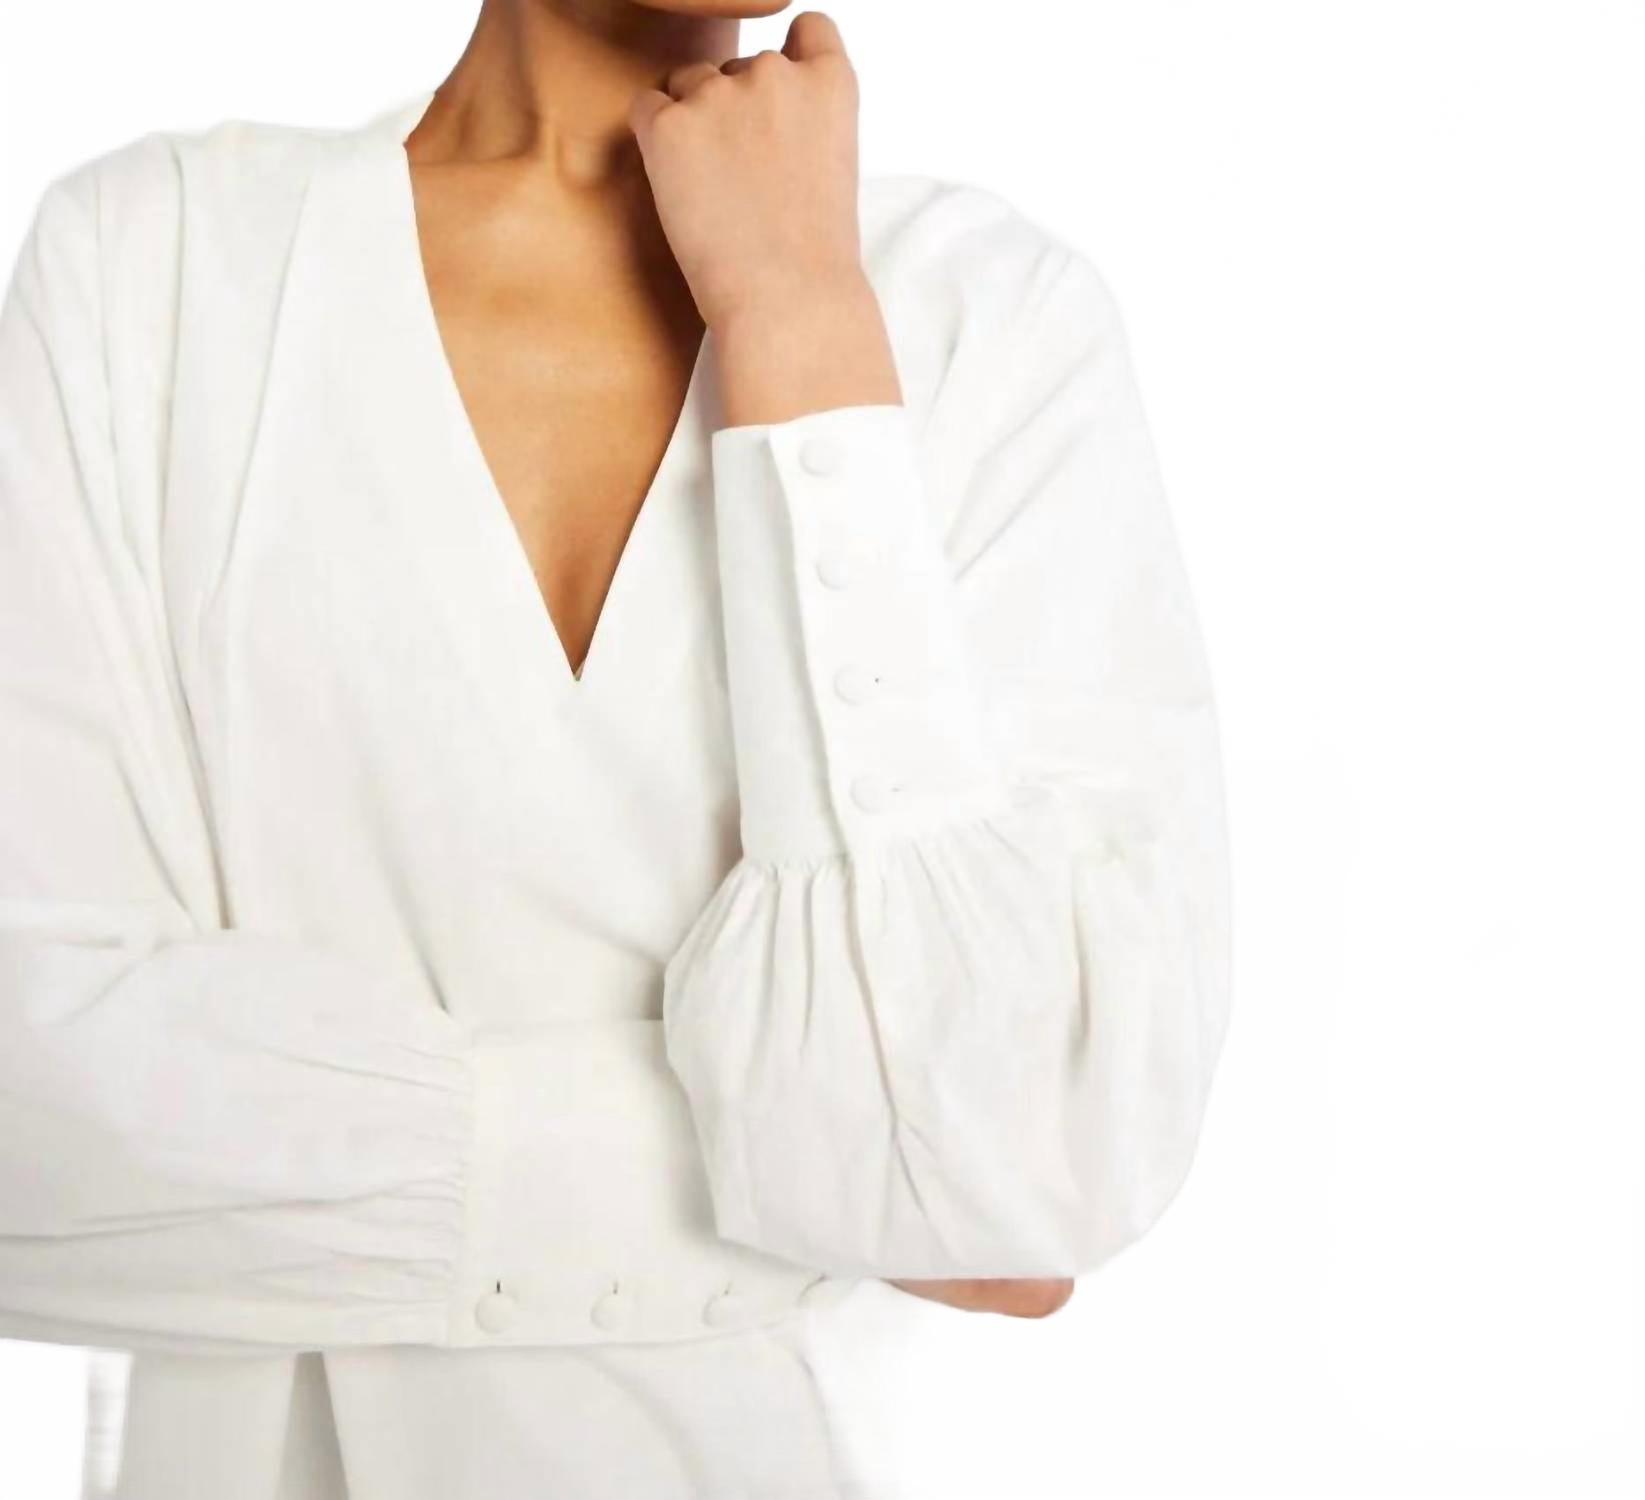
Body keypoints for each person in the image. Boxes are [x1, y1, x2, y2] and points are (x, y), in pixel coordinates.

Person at [0, 2, 1232, 1495]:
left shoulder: (985, 319)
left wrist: (798, 324)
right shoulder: (160, 272)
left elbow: (1033, 1161)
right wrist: (815, 1166)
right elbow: (29, 1114)